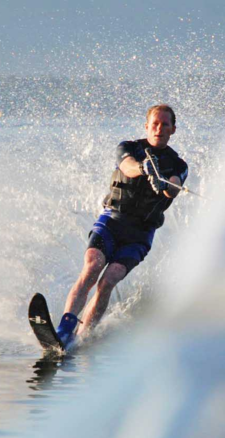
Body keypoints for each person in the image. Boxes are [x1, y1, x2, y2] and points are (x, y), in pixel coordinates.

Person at [55, 104, 189, 347]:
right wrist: (143, 168)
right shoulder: (128, 148)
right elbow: (126, 165)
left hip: (139, 235)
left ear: (173, 129)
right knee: (92, 267)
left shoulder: (178, 164)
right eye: (155, 124)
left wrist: (165, 186)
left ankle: (82, 336)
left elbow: (173, 187)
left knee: (108, 281)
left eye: (165, 125)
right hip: (112, 222)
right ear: (147, 126)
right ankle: (64, 330)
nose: (159, 128)